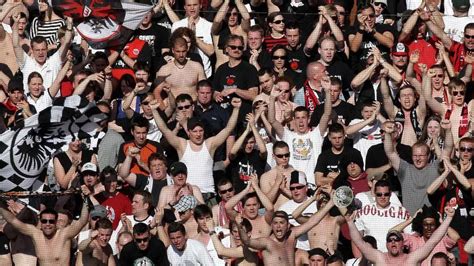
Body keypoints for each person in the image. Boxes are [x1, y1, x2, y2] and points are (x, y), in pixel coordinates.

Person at [151, 96, 240, 198]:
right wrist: (154, 111)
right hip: (188, 195)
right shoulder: (182, 145)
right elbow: (164, 130)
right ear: (189, 133)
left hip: (208, 195)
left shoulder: (210, 144)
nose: (198, 134)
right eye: (195, 131)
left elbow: (228, 129)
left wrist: (236, 109)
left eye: (200, 131)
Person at [236, 191, 336, 266]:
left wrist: (331, 203)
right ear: (271, 226)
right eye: (275, 223)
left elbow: (313, 221)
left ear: (288, 226)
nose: (278, 226)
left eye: (281, 223)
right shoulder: (267, 243)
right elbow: (247, 241)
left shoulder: (291, 235)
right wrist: (240, 227)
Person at [269, 76, 332, 185]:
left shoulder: (316, 134)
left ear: (308, 119)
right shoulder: (287, 135)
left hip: (312, 184)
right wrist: (272, 98)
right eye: (297, 118)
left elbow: (327, 114)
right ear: (294, 119)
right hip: (293, 186)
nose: (301, 121)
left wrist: (327, 91)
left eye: (303, 117)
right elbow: (272, 120)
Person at [383, 120, 454, 214]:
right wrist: (388, 135)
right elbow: (390, 152)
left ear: (428, 156)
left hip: (429, 220)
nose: (417, 159)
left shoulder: (435, 167)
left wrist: (448, 130)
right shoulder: (404, 169)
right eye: (415, 156)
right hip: (409, 221)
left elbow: (448, 148)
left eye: (421, 156)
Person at [346, 206, 456, 265]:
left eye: (397, 239)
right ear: (387, 244)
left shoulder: (412, 259)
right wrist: (350, 222)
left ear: (403, 243)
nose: (393, 241)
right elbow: (359, 242)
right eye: (390, 240)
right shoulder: (380, 259)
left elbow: (433, 241)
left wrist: (449, 218)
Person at [0, 200, 89, 265]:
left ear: (56, 222)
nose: (47, 224)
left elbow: (82, 221)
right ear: (40, 221)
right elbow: (12, 220)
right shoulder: (35, 234)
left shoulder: (64, 235)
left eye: (51, 221)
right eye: (44, 221)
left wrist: (86, 198)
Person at [390, 206, 459, 266]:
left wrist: (442, 222)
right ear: (421, 225)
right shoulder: (414, 240)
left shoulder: (441, 239)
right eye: (426, 225)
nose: (429, 228)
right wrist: (411, 220)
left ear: (436, 226)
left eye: (432, 225)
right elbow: (391, 233)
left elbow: (456, 237)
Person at [354, 180, 411, 252]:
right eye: (379, 194)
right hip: (372, 256)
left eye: (386, 194)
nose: (383, 197)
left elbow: (411, 236)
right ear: (374, 194)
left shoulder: (401, 211)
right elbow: (357, 239)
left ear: (390, 194)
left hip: (395, 256)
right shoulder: (363, 211)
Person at [171, 0, 214, 78]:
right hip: (182, 74)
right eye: (189, 5)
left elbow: (210, 51)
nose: (192, 8)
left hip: (204, 74)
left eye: (195, 5)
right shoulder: (177, 25)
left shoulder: (208, 26)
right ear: (184, 7)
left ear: (200, 6)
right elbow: (174, 50)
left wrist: (192, 35)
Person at [225, 174, 274, 239]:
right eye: (248, 205)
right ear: (243, 207)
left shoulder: (266, 220)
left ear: (259, 205)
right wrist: (246, 190)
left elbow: (270, 208)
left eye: (254, 205)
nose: (251, 208)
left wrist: (256, 187)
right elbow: (227, 207)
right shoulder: (239, 219)